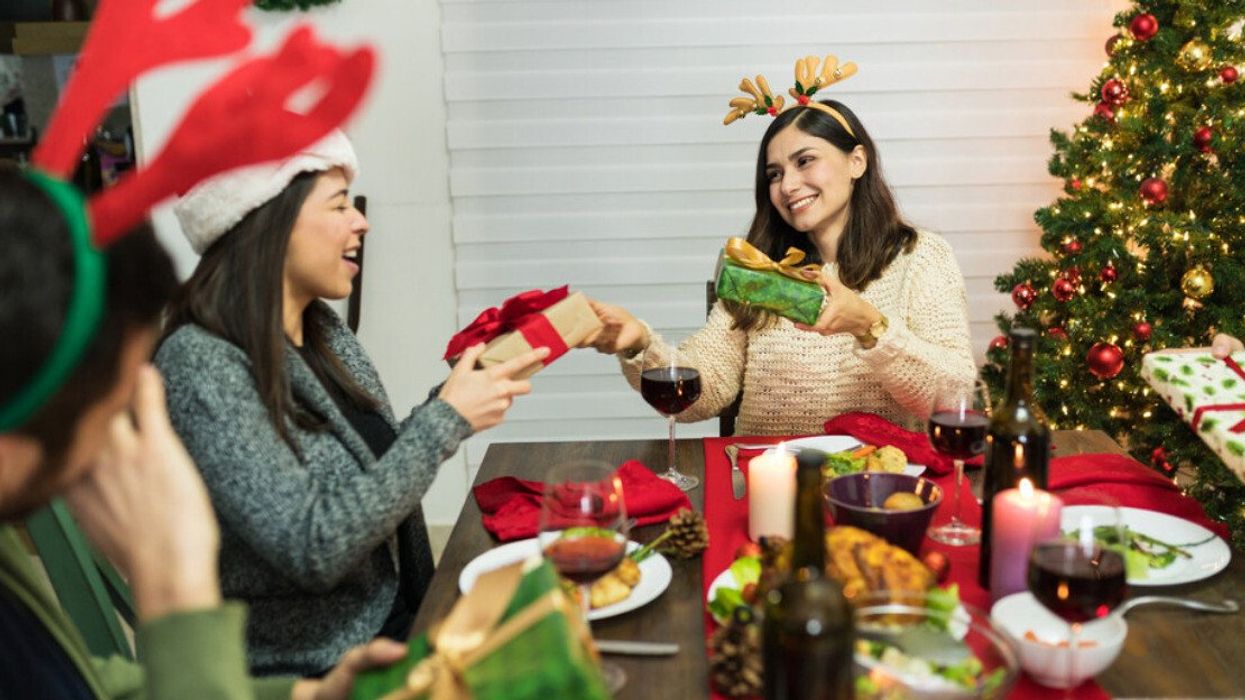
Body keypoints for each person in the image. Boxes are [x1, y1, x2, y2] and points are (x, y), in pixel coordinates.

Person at [0, 166, 405, 698]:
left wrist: (303, 695)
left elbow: (95, 688)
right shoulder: (199, 359)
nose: (121, 445)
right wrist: (176, 589)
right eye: (115, 412)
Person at [155, 132, 547, 676]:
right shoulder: (200, 365)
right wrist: (445, 421)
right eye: (338, 205)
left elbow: (375, 462)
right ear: (269, 222)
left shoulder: (319, 330)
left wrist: (462, 391)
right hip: (315, 667)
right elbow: (313, 546)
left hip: (396, 616)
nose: (360, 221)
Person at [585, 94, 975, 435]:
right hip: (770, 481)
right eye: (775, 174)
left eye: (805, 161)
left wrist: (870, 327)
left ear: (857, 161)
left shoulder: (920, 257)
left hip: (876, 486)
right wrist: (641, 344)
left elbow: (954, 395)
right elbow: (707, 389)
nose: (787, 186)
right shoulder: (759, 271)